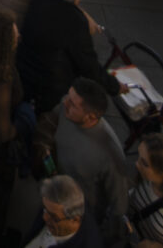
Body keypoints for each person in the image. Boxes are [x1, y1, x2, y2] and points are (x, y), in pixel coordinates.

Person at [51, 78, 128, 232]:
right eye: (68, 96)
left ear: (91, 116)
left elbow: (119, 206)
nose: (65, 102)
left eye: (72, 104)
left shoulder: (111, 154)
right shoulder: (64, 110)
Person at [23, 175, 86, 248]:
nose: (45, 217)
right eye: (45, 209)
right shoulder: (52, 209)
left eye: (53, 216)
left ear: (74, 220)